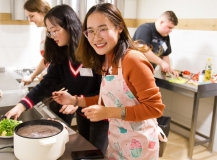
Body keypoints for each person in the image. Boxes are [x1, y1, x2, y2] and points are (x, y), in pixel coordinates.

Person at [52, 3, 166, 159]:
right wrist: (74, 100)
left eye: (103, 29)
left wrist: (107, 112)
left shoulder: (132, 60)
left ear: (119, 27)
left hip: (140, 144)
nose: (96, 37)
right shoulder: (107, 61)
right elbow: (110, 99)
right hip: (118, 141)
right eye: (90, 31)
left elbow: (155, 108)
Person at [5, 4, 109, 154]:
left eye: (55, 30)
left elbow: (105, 90)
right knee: (85, 149)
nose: (52, 36)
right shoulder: (62, 56)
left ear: (69, 26)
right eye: (50, 32)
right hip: (82, 113)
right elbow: (47, 84)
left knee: (96, 154)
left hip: (101, 116)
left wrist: (77, 100)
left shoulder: (95, 51)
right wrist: (21, 106)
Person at [133, 11, 179, 77]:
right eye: (169, 27)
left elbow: (165, 55)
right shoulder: (145, 29)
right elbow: (143, 50)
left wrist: (169, 69)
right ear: (161, 22)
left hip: (148, 73)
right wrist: (162, 63)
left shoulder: (166, 36)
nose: (171, 30)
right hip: (135, 71)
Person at [22, 0, 51, 85]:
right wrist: (32, 76)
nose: (30, 20)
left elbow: (62, 60)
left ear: (42, 13)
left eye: (32, 16)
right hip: (50, 80)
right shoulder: (44, 32)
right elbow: (47, 59)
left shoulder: (55, 33)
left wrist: (48, 72)